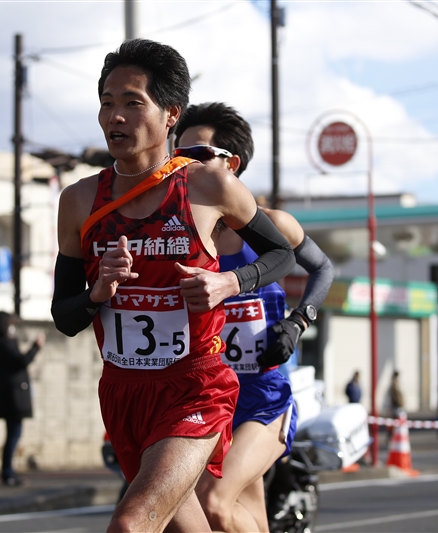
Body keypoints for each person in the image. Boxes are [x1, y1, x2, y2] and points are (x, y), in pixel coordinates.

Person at [51, 39, 295, 533]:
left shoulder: (208, 185)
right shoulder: (79, 201)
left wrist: (229, 281)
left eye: (132, 102)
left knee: (131, 523)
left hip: (196, 389)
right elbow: (64, 316)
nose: (115, 117)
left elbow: (281, 253)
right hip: (123, 392)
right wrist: (98, 292)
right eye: (107, 102)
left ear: (169, 115)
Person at [173, 102, 334, 532]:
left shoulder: (274, 226)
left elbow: (323, 269)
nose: (184, 165)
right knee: (245, 518)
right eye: (178, 154)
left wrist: (298, 322)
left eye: (198, 155)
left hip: (263, 401)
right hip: (208, 400)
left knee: (213, 504)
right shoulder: (179, 233)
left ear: (232, 163)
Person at [0, 311, 45, 486]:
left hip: (8, 396)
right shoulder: (1, 344)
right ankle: (8, 472)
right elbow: (21, 360)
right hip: (12, 397)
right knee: (13, 434)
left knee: (13, 434)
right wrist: (36, 347)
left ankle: (9, 471)